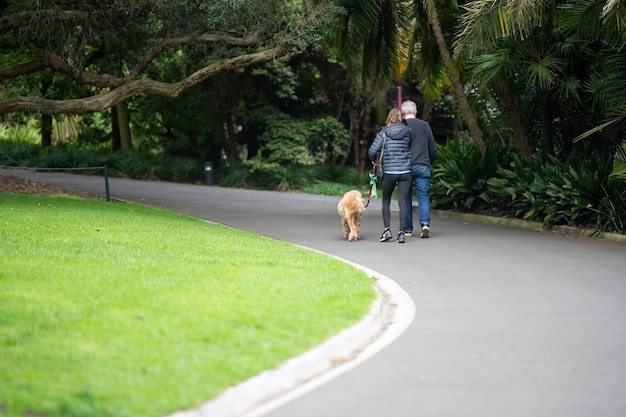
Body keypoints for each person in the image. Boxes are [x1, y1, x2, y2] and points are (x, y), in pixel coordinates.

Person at [368, 107, 412, 243]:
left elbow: (372, 150)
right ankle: (401, 233)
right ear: (402, 117)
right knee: (403, 202)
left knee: (386, 201)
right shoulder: (409, 132)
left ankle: (387, 230)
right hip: (406, 171)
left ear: (390, 117)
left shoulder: (384, 133)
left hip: (389, 171)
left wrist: (375, 160)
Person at [401, 100, 437, 238]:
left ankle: (408, 229)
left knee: (406, 198)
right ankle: (425, 224)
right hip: (423, 166)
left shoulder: (401, 126)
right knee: (423, 196)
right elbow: (432, 149)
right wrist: (429, 163)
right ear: (416, 112)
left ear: (402, 112)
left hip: (405, 167)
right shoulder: (425, 126)